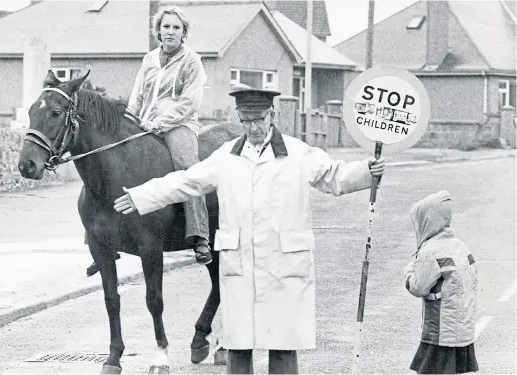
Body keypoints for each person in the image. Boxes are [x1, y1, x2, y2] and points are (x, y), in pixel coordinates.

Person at [114, 86, 386, 374]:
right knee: (239, 345)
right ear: (240, 120)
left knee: (282, 343)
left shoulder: (297, 153)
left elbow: (334, 176)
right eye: (246, 120)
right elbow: (186, 181)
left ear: (272, 116)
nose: (254, 127)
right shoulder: (226, 157)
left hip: (284, 263)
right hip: (240, 264)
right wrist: (140, 195)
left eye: (260, 119)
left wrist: (369, 170)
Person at [129, 5, 211, 264]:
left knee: (189, 171)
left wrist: (161, 123)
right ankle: (102, 236)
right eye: (166, 27)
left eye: (176, 27)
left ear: (183, 32)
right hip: (145, 123)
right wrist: (131, 119)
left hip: (179, 125)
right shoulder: (149, 59)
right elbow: (137, 95)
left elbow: (189, 103)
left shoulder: (192, 61)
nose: (171, 32)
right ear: (158, 31)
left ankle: (200, 236)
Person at [403, 190, 479, 374]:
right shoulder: (460, 246)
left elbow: (417, 287)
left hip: (440, 330)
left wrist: (408, 271)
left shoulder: (430, 251)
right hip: (462, 328)